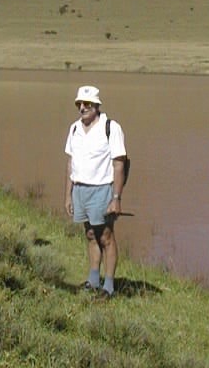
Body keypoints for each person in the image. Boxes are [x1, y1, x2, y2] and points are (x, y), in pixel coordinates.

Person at [64, 85, 127, 298]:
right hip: (80, 188)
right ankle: (93, 280)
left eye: (87, 104)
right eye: (79, 104)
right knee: (90, 234)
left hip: (102, 189)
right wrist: (68, 195)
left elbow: (119, 164)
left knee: (106, 236)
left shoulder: (111, 127)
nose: (82, 108)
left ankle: (109, 286)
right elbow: (70, 163)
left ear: (97, 105)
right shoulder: (74, 129)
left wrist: (116, 198)